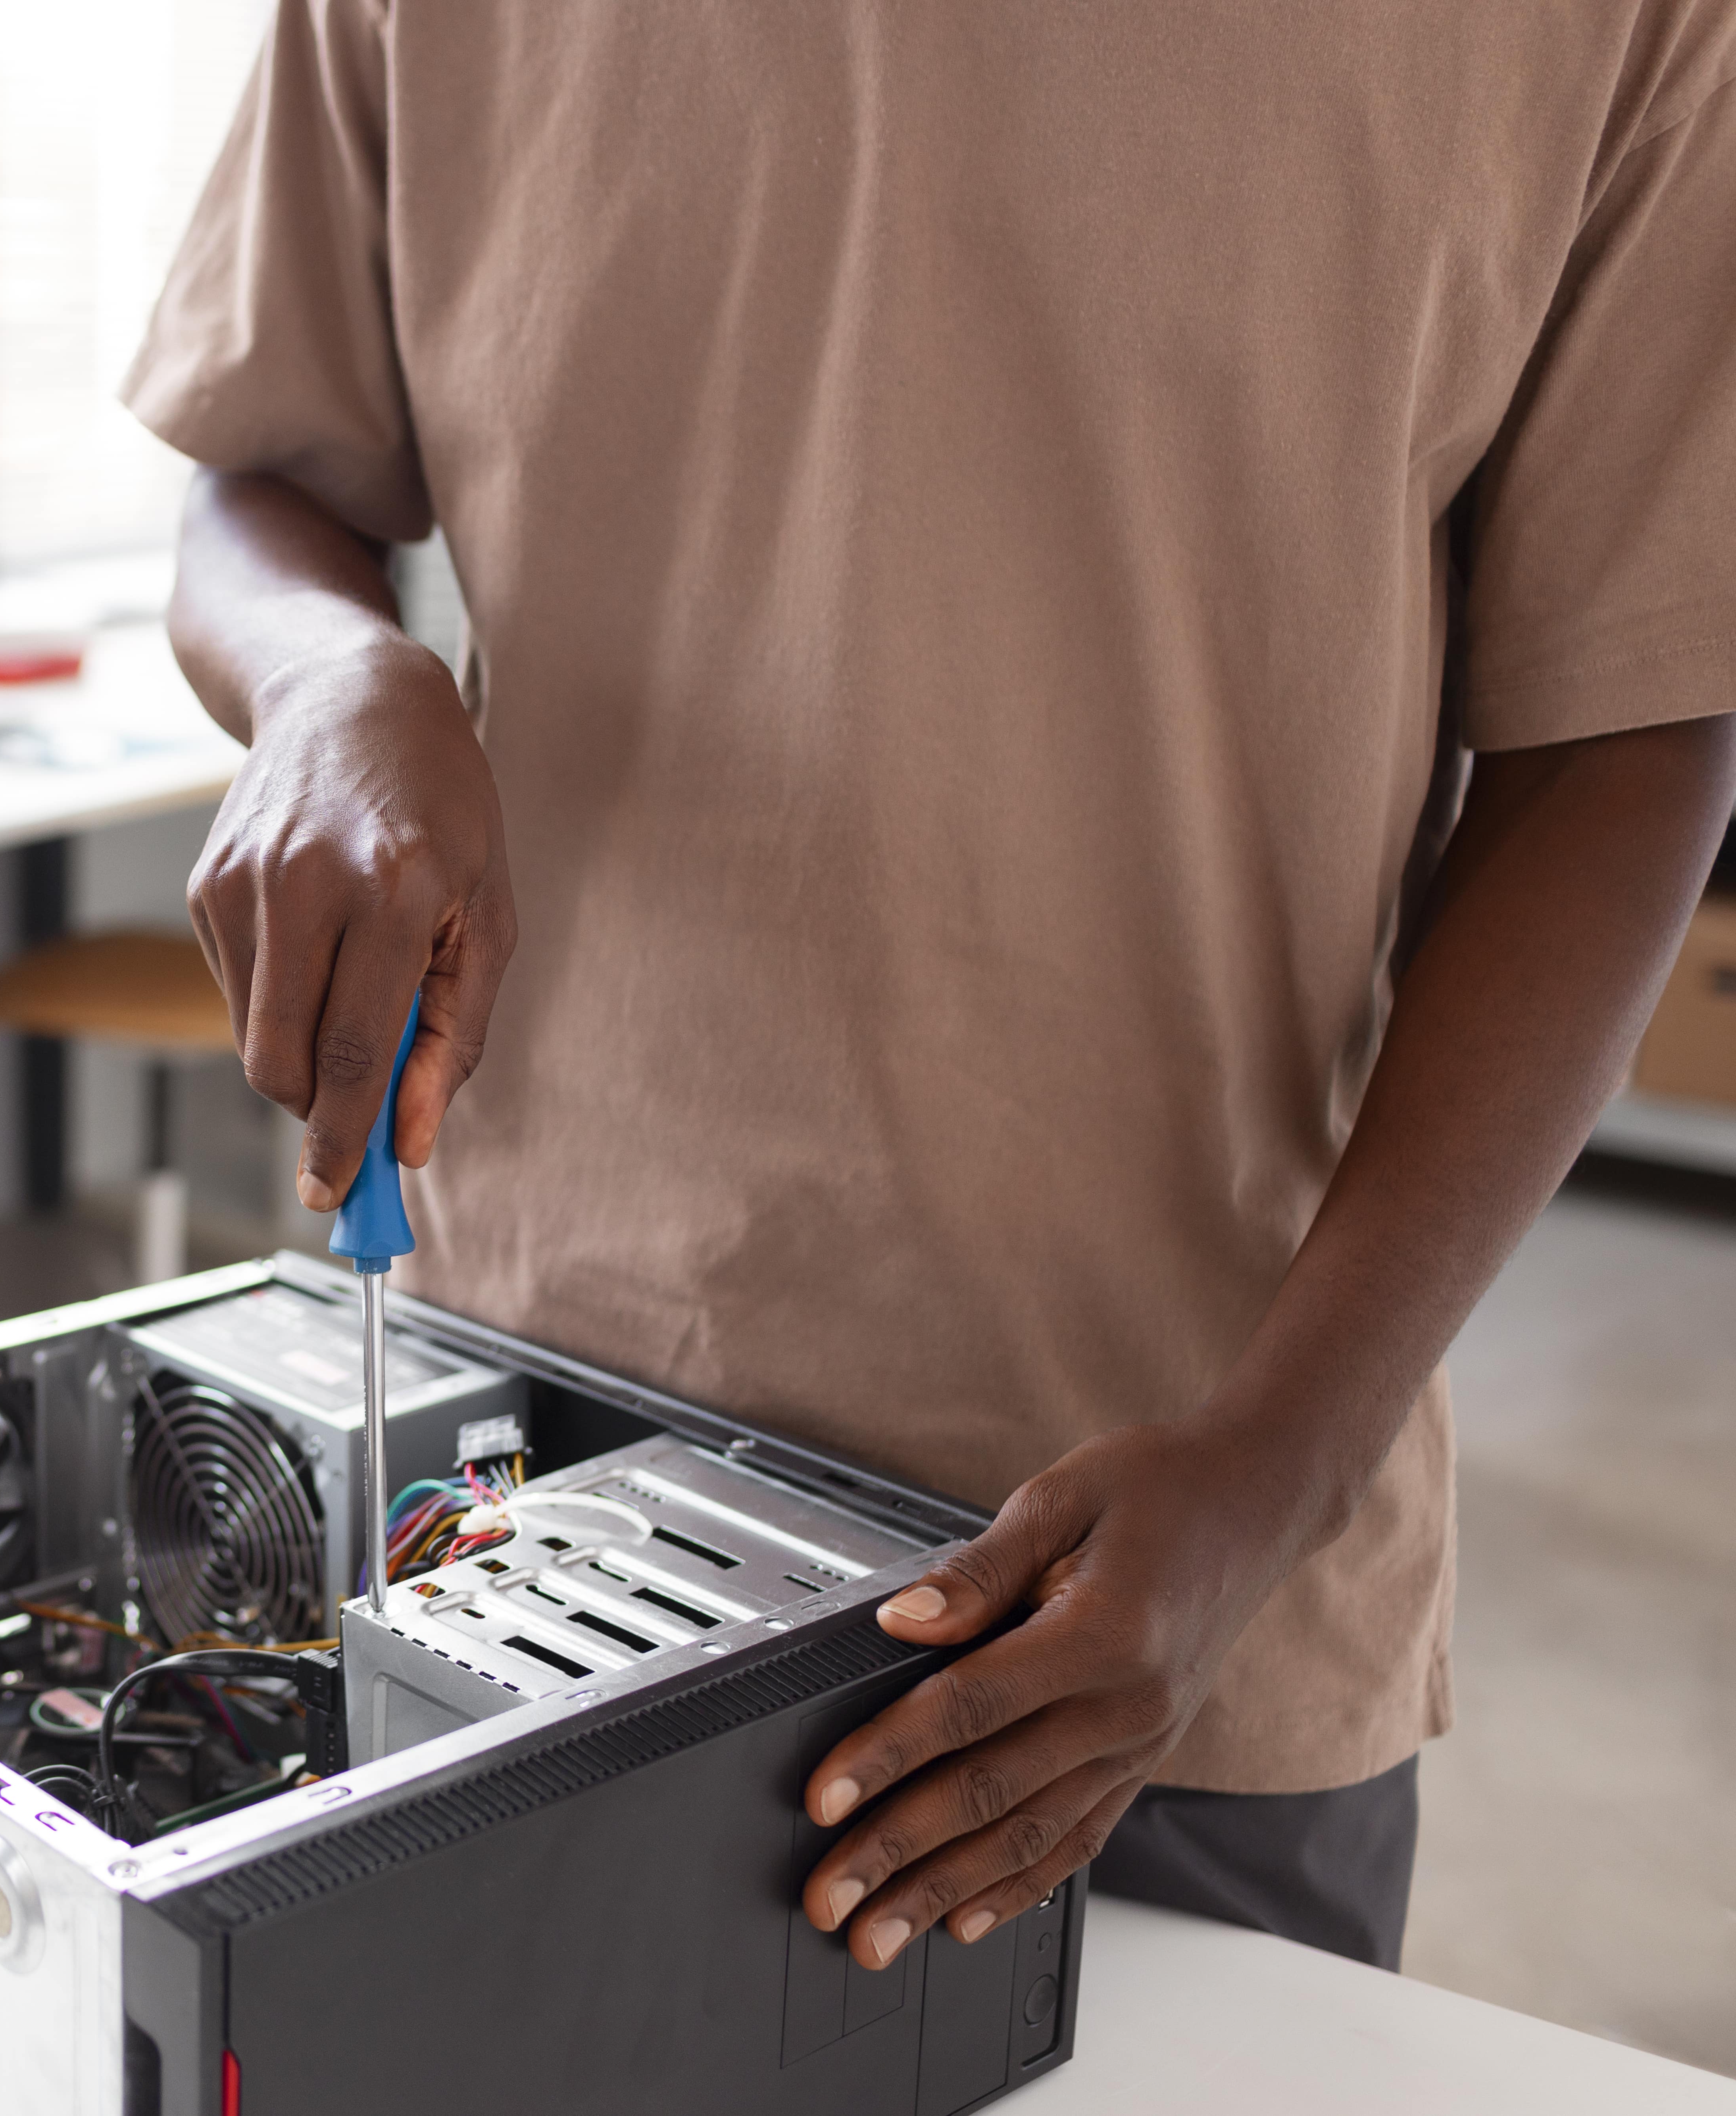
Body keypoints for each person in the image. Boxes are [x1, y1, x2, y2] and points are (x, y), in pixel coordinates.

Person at [131, 4, 1736, 1974]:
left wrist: (1277, 1465)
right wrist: (323, 675)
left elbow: (1630, 727)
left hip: (1144, 1593)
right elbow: (256, 478)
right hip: (505, 1463)